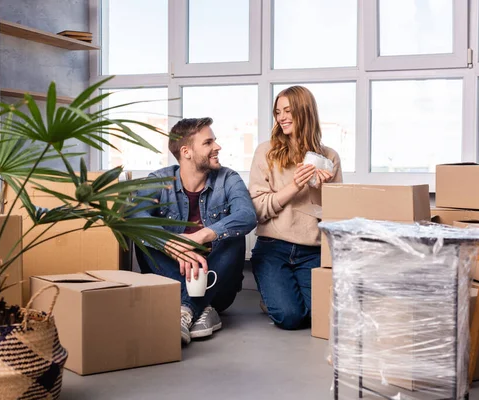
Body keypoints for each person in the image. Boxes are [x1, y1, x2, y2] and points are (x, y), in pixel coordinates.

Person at [133, 117, 257, 345]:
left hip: (216, 283)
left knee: (233, 237)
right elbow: (134, 217)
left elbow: (247, 215)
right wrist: (170, 244)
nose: (217, 147)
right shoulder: (159, 180)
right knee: (144, 237)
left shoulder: (228, 178)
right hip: (175, 276)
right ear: (186, 151)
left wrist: (201, 236)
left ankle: (185, 310)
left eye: (214, 141)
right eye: (208, 143)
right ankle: (200, 310)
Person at [248, 86, 343, 330]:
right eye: (278, 112)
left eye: (288, 111)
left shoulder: (330, 157)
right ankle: (274, 297)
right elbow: (258, 209)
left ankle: (277, 296)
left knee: (317, 316)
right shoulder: (266, 152)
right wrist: (295, 185)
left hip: (312, 250)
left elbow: (336, 216)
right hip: (273, 248)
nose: (281, 117)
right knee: (290, 318)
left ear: (305, 112)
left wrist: (323, 187)